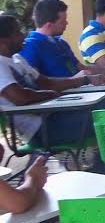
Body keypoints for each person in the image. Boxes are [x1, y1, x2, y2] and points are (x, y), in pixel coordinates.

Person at [0, 14, 95, 148]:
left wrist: (85, 80)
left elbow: (47, 83)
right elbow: (19, 97)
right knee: (102, 118)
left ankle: (101, 163)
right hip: (40, 131)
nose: (23, 36)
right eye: (17, 32)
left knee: (102, 110)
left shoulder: (17, 59)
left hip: (53, 117)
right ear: (3, 41)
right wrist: (50, 94)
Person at [19, 0, 105, 79]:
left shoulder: (61, 43)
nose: (66, 23)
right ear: (49, 25)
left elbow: (82, 68)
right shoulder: (30, 46)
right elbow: (35, 83)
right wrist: (74, 80)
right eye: (63, 21)